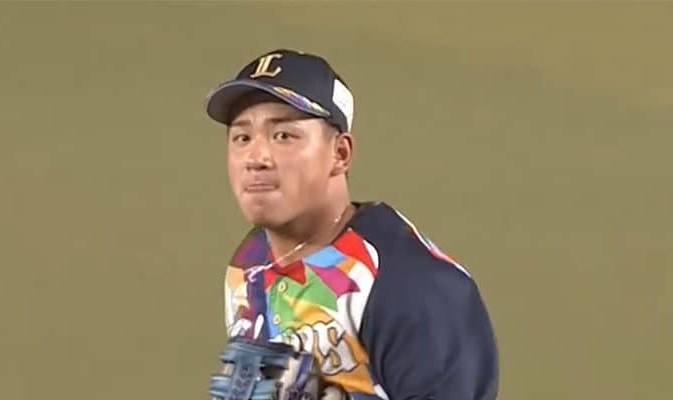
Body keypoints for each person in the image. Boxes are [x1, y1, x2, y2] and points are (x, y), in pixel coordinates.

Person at [204, 49, 499, 400]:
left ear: (340, 154)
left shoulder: (416, 288)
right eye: (242, 138)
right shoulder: (249, 262)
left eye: (283, 136)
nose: (256, 158)